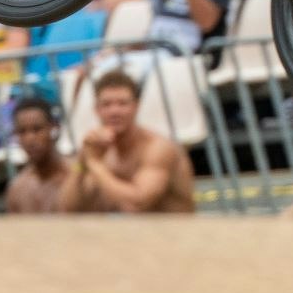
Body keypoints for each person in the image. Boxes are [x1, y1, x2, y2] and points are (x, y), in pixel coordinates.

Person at [66, 68, 196, 214]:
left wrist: (95, 164)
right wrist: (82, 162)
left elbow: (137, 204)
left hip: (173, 228)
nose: (114, 111)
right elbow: (67, 210)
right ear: (96, 109)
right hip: (126, 228)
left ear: (136, 107)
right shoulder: (102, 151)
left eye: (122, 103)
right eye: (106, 104)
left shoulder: (158, 148)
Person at [5, 98, 73, 214]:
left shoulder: (76, 175)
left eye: (37, 129)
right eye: (22, 131)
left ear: (54, 128)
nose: (30, 139)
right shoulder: (17, 189)